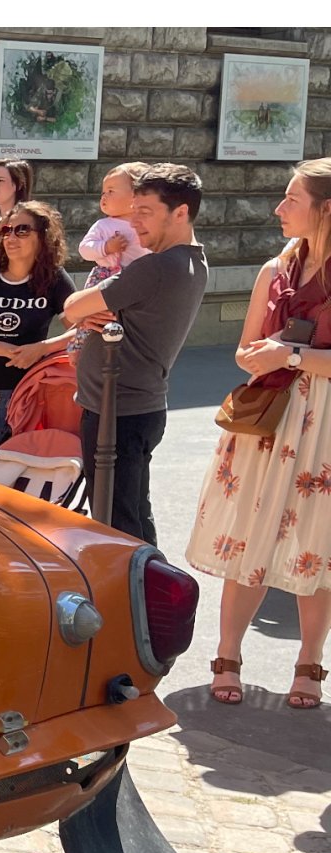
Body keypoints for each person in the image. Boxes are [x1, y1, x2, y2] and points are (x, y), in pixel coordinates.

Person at [186, 159, 331, 710]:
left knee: (319, 545)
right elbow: (246, 350)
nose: (278, 208)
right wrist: (265, 355)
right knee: (248, 535)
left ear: (326, 209)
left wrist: (291, 352)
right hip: (268, 420)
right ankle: (227, 655)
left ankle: (310, 662)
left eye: (292, 198)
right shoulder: (275, 270)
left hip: (325, 425)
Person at [64, 163, 209, 546]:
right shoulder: (194, 260)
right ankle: (152, 600)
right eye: (133, 210)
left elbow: (73, 306)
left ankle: (135, 603)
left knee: (116, 525)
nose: (134, 221)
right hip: (135, 405)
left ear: (180, 212)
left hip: (118, 411)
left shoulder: (155, 267)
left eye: (145, 212)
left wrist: (83, 310)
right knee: (133, 515)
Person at [0, 201, 77, 477]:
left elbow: (80, 330)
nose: (11, 237)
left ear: (43, 236)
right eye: (6, 230)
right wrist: (12, 350)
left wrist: (42, 348)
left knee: (13, 478)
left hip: (27, 397)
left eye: (22, 230)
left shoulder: (54, 280)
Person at [68, 162, 151, 357]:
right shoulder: (104, 225)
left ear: (135, 195)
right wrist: (106, 247)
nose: (104, 197)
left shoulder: (146, 223)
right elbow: (84, 249)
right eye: (103, 192)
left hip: (135, 279)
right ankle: (78, 347)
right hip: (105, 276)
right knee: (93, 316)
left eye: (111, 191)